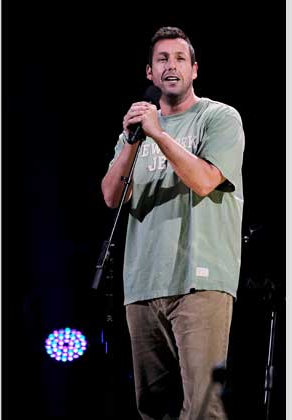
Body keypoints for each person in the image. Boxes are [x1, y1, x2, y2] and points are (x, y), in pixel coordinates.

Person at [101, 26, 245, 420]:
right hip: (143, 283)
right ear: (149, 73)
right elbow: (112, 196)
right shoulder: (134, 132)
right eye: (162, 59)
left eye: (180, 59)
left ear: (194, 69)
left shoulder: (219, 118)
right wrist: (133, 140)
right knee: (154, 409)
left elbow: (202, 181)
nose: (171, 66)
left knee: (202, 407)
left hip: (199, 281)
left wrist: (159, 136)